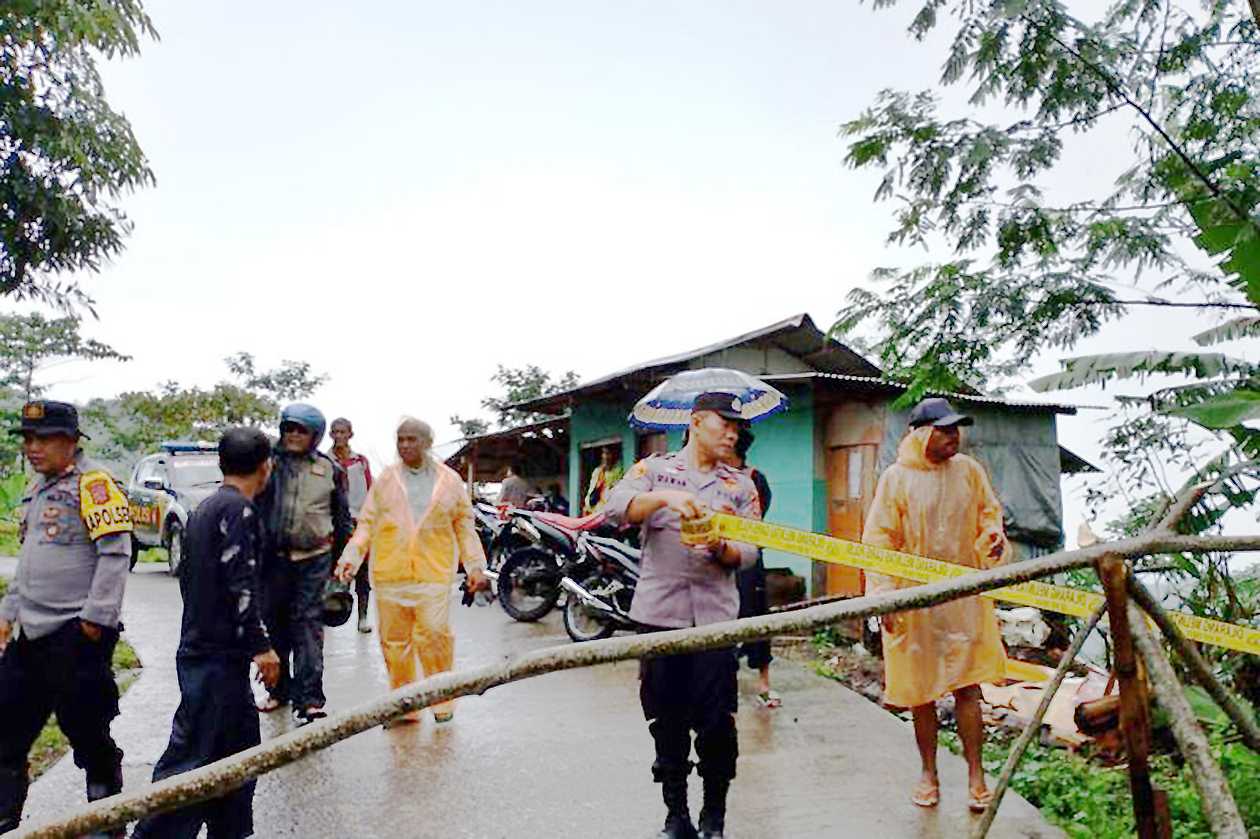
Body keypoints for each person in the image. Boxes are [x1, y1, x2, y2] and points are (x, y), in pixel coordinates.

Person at [604, 393, 761, 839]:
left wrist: (719, 546)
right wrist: (665, 498)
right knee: (666, 720)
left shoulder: (742, 487)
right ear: (695, 422)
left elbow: (749, 552)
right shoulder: (652, 470)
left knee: (716, 723)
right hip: (660, 616)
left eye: (737, 426)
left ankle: (714, 817)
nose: (732, 432)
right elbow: (615, 508)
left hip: (715, 621)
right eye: (724, 423)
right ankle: (677, 817)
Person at [132, 428, 280, 839]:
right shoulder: (239, 512)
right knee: (192, 756)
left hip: (206, 649)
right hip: (215, 657)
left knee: (237, 753)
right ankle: (153, 834)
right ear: (266, 466)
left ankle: (230, 829)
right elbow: (242, 585)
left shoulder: (204, 508)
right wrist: (262, 647)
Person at [861, 397, 1008, 813]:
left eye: (956, 429)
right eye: (944, 430)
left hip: (961, 596)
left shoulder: (969, 471)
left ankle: (977, 776)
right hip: (913, 601)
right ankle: (928, 773)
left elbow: (989, 514)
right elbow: (879, 540)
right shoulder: (896, 479)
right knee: (920, 692)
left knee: (968, 686)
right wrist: (884, 596)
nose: (954, 437)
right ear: (922, 434)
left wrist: (993, 537)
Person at [0, 401, 131, 837]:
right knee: (6, 731)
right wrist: (8, 613)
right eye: (28, 439)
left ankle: (107, 818)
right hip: (30, 636)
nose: (32, 448)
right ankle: (5, 819)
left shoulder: (94, 485)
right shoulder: (35, 489)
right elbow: (29, 559)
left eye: (44, 439)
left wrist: (94, 623)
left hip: (75, 636)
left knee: (89, 735)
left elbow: (115, 555)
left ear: (71, 443)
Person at [334, 418, 489, 725]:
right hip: (390, 575)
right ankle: (404, 706)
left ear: (426, 442)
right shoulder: (387, 480)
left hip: (433, 573)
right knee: (394, 644)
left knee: (435, 636)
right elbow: (366, 524)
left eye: (411, 439)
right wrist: (350, 557)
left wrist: (474, 566)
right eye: (400, 439)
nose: (405, 445)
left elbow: (465, 527)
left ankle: (441, 701)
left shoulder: (450, 481)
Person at [256, 403, 352, 725]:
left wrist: (340, 567)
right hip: (274, 560)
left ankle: (310, 700)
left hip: (314, 561)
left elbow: (341, 520)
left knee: (308, 630)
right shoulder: (267, 464)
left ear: (315, 435)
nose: (294, 435)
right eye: (289, 428)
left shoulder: (330, 470)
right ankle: (278, 691)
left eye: (302, 430)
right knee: (276, 627)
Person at [728, 428, 778, 709]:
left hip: (749, 560)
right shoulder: (712, 478)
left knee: (757, 617)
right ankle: (726, 680)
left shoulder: (755, 479)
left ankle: (764, 683)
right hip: (719, 561)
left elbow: (758, 515)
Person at [329, 418, 374, 633]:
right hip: (332, 525)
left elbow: (370, 492)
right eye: (335, 432)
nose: (339, 436)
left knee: (362, 573)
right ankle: (329, 613)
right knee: (332, 570)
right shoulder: (324, 461)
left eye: (342, 432)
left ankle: (363, 617)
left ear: (350, 435)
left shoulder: (360, 462)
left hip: (358, 524)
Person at [583, 445, 624, 514]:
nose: (605, 456)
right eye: (604, 453)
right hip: (597, 512)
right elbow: (590, 495)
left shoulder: (619, 471)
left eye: (608, 453)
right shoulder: (598, 472)